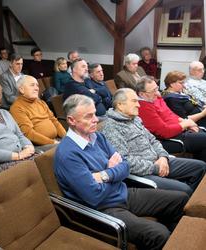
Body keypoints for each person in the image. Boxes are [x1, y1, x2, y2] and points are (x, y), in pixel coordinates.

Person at [54, 94, 188, 250]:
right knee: (159, 233)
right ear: (71, 120)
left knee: (180, 200)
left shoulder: (97, 137)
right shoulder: (67, 154)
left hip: (122, 193)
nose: (96, 119)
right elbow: (93, 196)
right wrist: (115, 173)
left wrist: (106, 174)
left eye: (95, 113)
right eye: (89, 116)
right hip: (102, 209)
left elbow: (125, 167)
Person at [101, 88, 205, 195]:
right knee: (185, 190)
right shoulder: (111, 127)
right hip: (144, 172)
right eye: (134, 101)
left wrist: (163, 157)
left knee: (200, 167)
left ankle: (188, 202)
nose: (139, 105)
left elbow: (153, 140)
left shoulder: (135, 119)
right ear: (120, 105)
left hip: (160, 161)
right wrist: (155, 168)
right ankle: (183, 202)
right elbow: (125, 161)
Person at [136, 76, 206, 162]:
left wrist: (186, 122)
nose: (157, 92)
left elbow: (171, 115)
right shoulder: (143, 107)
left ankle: (200, 170)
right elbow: (165, 132)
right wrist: (186, 124)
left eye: (156, 88)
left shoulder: (155, 98)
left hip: (179, 131)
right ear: (142, 94)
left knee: (202, 140)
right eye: (153, 91)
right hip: (167, 140)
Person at [10, 75, 66, 146]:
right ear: (21, 89)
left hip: (57, 140)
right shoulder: (17, 107)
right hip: (42, 146)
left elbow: (54, 121)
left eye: (37, 85)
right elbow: (28, 133)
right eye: (32, 85)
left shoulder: (41, 102)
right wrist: (53, 143)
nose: (36, 88)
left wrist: (66, 137)